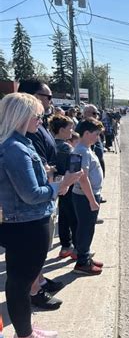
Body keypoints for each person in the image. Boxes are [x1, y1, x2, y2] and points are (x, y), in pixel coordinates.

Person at [0, 93, 82, 338]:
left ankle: (26, 331)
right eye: (37, 115)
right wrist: (61, 184)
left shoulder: (20, 143)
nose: (41, 119)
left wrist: (46, 176)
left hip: (28, 222)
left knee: (23, 282)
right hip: (26, 225)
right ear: (21, 115)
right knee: (21, 285)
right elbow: (31, 194)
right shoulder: (14, 148)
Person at [17, 79, 64, 310]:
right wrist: (50, 175)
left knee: (43, 243)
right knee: (36, 247)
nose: (50, 102)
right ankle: (35, 290)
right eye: (47, 97)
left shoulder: (37, 124)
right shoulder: (22, 133)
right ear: (31, 96)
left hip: (46, 189)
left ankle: (40, 280)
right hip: (38, 195)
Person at [72, 117, 105, 275]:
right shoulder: (82, 151)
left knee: (87, 228)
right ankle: (82, 262)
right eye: (96, 134)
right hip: (85, 197)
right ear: (86, 133)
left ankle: (85, 256)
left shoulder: (85, 148)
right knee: (85, 229)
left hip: (87, 195)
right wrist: (92, 200)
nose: (97, 137)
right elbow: (82, 177)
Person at [49, 115, 78, 259]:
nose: (72, 131)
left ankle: (65, 246)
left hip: (55, 183)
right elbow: (74, 168)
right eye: (70, 128)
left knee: (63, 216)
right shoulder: (67, 147)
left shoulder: (48, 144)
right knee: (74, 217)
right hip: (69, 185)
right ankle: (77, 249)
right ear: (61, 130)